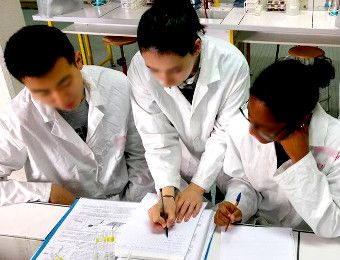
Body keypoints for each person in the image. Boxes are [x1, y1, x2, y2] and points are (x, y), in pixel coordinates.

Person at [128, 0, 249, 231]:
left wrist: (199, 186)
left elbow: (225, 132)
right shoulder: (139, 69)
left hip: (226, 152)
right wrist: (166, 192)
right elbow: (156, 135)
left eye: (175, 70)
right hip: (179, 154)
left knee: (227, 211)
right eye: (154, 70)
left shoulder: (232, 64)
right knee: (190, 218)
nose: (164, 81)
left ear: (196, 47)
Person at [0, 25, 155, 206]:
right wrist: (46, 192)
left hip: (125, 200)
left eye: (64, 83)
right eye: (43, 92)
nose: (59, 98)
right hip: (64, 211)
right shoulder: (17, 118)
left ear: (78, 60)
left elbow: (139, 155)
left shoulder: (117, 85)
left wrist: (132, 204)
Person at [214, 58, 340, 238]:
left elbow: (333, 224)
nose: (251, 132)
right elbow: (245, 181)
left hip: (310, 239)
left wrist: (302, 161)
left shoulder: (335, 143)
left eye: (264, 129)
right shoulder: (240, 127)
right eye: (250, 117)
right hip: (261, 231)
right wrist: (237, 206)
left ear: (301, 121)